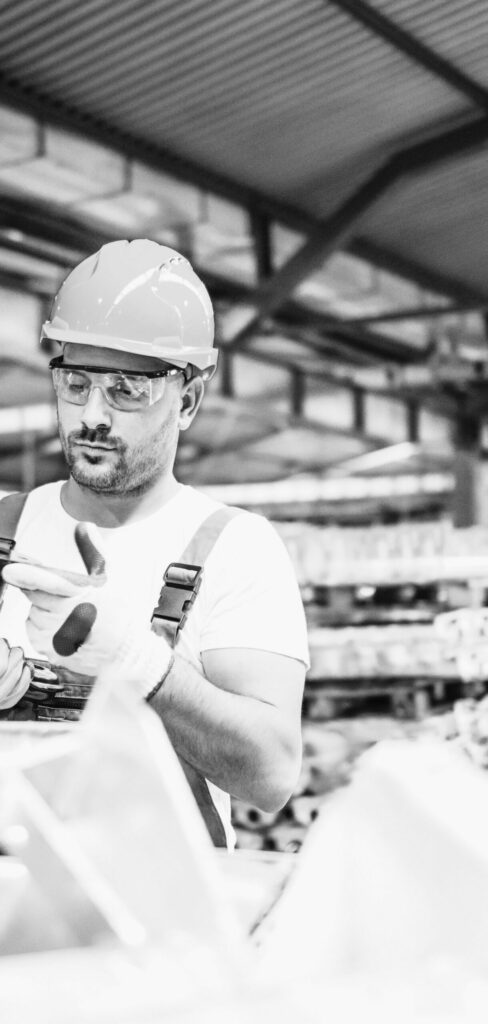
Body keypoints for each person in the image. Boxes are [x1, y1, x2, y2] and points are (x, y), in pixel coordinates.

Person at [0, 239, 309, 846]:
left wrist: (137, 663)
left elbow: (271, 776)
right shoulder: (4, 524)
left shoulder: (235, 548)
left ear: (187, 400)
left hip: (162, 900)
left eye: (127, 390)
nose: (92, 415)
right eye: (76, 383)